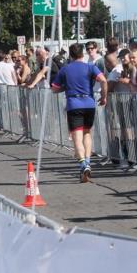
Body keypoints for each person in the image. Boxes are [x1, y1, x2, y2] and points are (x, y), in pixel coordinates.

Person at [51, 43, 108, 182]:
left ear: (70, 55)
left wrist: (66, 87)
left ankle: (83, 164)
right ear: (83, 53)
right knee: (87, 133)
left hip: (74, 104)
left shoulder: (65, 69)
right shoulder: (90, 67)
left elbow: (54, 88)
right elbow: (103, 80)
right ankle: (87, 161)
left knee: (77, 137)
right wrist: (104, 97)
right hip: (89, 103)